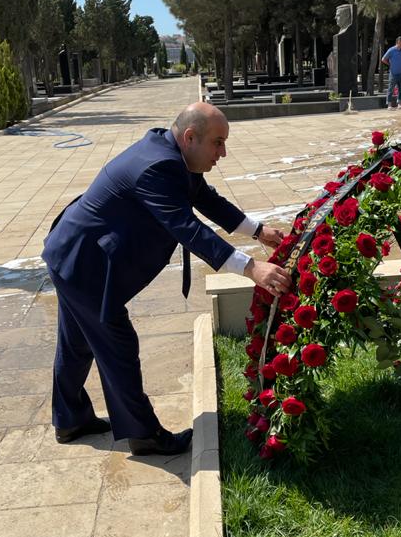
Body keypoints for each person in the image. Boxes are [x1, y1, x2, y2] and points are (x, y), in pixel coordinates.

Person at [43, 102, 292, 457]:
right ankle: (144, 435)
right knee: (117, 346)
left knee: (77, 341)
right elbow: (188, 229)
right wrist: (253, 269)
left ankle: (69, 419)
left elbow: (204, 198)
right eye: (218, 143)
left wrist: (259, 231)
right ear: (191, 137)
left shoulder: (173, 152)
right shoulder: (159, 165)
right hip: (86, 265)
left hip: (73, 254)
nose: (223, 152)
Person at [381, 36, 401, 108]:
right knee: (391, 89)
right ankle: (389, 105)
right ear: (399, 42)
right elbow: (383, 59)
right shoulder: (391, 50)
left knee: (400, 89)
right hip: (393, 73)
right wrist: (390, 64)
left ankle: (399, 104)